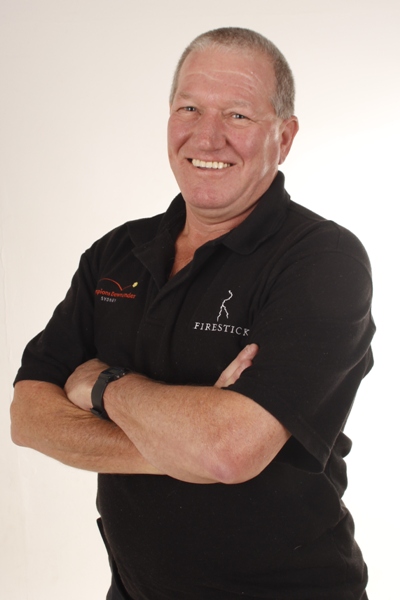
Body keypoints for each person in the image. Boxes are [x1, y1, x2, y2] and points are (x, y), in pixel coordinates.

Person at [10, 27, 375, 600]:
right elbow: (28, 417)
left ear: (284, 137)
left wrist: (103, 385)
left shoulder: (322, 261)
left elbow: (229, 450)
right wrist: (184, 446)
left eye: (237, 115)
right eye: (189, 108)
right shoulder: (117, 252)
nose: (207, 137)